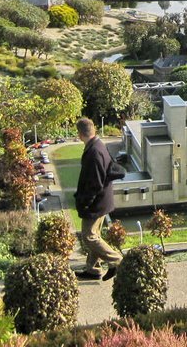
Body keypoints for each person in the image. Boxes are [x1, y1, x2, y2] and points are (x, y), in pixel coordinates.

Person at [74, 118, 123, 281]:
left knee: (89, 236)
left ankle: (117, 261)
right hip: (103, 200)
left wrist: (85, 204)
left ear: (80, 134)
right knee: (94, 235)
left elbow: (93, 183)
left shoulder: (93, 152)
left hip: (96, 203)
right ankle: (93, 270)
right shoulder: (99, 145)